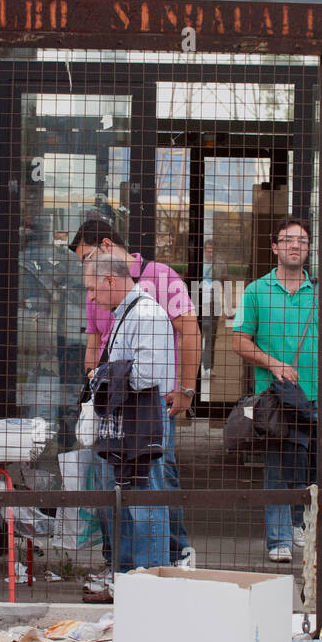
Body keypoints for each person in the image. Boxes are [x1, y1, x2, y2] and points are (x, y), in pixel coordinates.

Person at [69, 219, 200, 565]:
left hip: (143, 411)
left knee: (152, 487)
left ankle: (166, 559)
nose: (90, 293)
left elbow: (181, 340)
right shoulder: (118, 305)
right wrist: (94, 380)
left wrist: (185, 389)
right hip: (117, 413)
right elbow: (94, 343)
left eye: (87, 260)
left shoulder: (157, 286)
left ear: (107, 249)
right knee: (122, 492)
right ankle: (124, 568)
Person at [83, 251, 177, 571]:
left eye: (92, 288)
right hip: (131, 417)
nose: (91, 297)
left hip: (143, 418)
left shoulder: (145, 313)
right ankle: (130, 575)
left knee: (145, 499)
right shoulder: (129, 312)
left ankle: (150, 577)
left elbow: (147, 374)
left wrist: (104, 376)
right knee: (133, 497)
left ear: (110, 279)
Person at [232, 217, 319, 562]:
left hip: (316, 395)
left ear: (308, 248)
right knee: (277, 467)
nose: (295, 245)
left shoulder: (320, 293)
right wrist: (274, 364)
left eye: (301, 240)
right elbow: (239, 342)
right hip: (275, 397)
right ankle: (278, 538)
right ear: (275, 247)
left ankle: (298, 521)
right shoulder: (256, 291)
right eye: (287, 240)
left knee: (308, 467)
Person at [198, 239, 226, 376]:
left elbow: (226, 283)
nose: (209, 253)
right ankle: (199, 366)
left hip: (213, 305)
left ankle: (208, 367)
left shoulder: (220, 265)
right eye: (207, 250)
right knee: (198, 335)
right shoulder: (198, 263)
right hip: (199, 305)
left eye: (212, 250)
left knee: (210, 336)